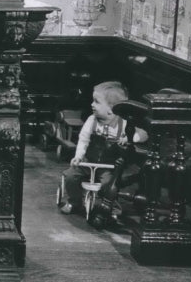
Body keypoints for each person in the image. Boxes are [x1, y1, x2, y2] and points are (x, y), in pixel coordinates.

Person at [59, 81, 148, 215]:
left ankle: (109, 203)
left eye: (96, 102)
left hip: (107, 165)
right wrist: (78, 156)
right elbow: (83, 139)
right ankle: (74, 201)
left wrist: (130, 138)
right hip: (88, 161)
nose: (92, 104)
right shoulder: (91, 120)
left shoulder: (123, 124)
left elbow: (143, 134)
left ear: (111, 108)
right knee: (71, 176)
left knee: (109, 183)